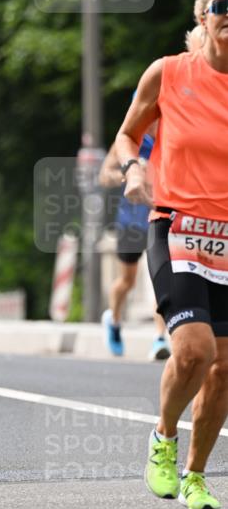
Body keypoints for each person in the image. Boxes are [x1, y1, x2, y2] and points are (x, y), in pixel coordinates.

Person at [115, 0, 228, 509]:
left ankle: (196, 476)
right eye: (221, 5)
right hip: (178, 224)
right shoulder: (169, 73)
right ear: (202, 17)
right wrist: (134, 168)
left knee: (226, 367)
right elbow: (127, 134)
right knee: (194, 350)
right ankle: (163, 438)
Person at [99, 126, 170, 360]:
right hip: (130, 223)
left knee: (160, 279)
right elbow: (104, 176)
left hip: (159, 219)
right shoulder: (127, 142)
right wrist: (129, 173)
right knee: (126, 281)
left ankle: (160, 338)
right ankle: (114, 320)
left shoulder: (174, 135)